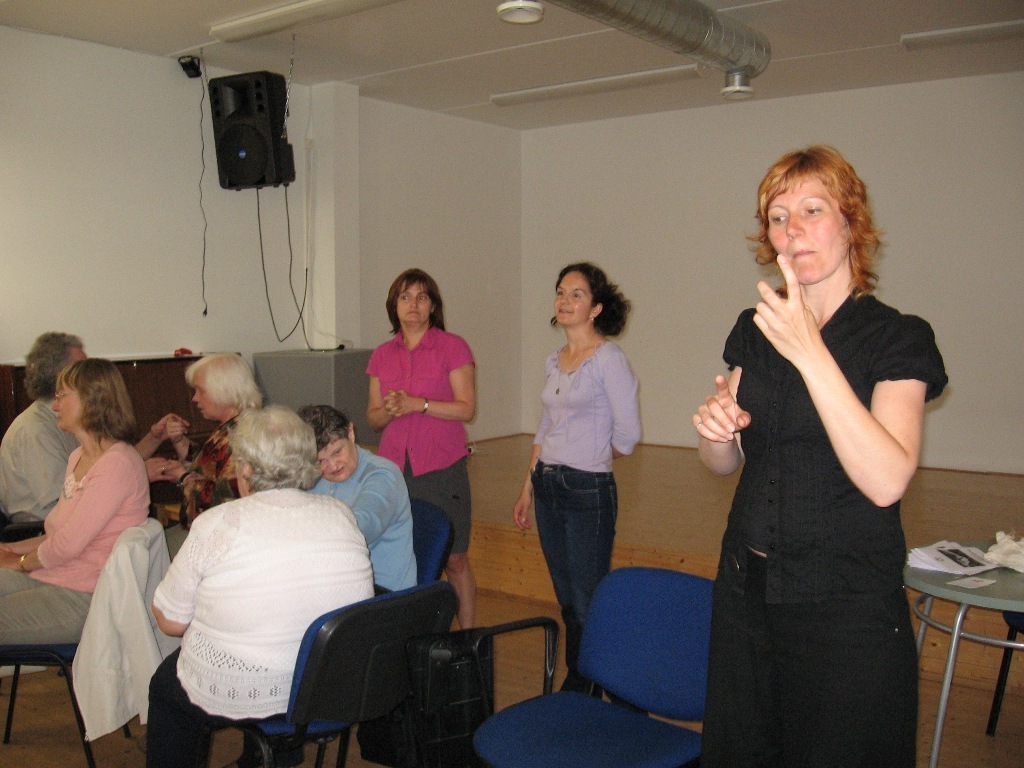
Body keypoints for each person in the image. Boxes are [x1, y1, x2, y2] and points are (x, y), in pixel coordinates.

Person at [693, 145, 948, 768]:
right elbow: (723, 462)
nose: (792, 229)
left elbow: (886, 480)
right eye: (778, 217)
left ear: (851, 223)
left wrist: (810, 352)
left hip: (846, 610)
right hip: (746, 595)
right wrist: (717, 430)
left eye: (812, 210)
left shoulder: (898, 336)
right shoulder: (758, 328)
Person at [146, 406, 374, 768]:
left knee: (164, 685)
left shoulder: (218, 523)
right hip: (328, 686)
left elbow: (171, 622)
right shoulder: (340, 514)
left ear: (246, 469)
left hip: (254, 690)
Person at [513, 262, 640, 693]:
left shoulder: (609, 360)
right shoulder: (554, 360)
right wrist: (528, 488)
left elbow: (628, 434)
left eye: (576, 294)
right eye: (560, 292)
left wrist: (590, 456)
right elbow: (544, 429)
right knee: (567, 599)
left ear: (596, 308)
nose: (564, 301)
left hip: (588, 491)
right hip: (547, 486)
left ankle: (594, 680)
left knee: (588, 600)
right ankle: (582, 675)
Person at [0, 358, 150, 644]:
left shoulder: (117, 463)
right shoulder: (79, 456)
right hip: (55, 576)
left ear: (92, 400)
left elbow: (67, 544)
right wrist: (10, 549)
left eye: (62, 396)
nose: (55, 406)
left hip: (85, 597)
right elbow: (58, 534)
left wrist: (18, 562)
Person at [367, 268, 477, 628]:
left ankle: (468, 640)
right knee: (404, 554)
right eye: (405, 297)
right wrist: (391, 409)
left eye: (421, 297)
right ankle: (413, 633)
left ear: (433, 306)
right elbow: (373, 418)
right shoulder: (382, 355)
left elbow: (467, 408)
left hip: (442, 467)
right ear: (394, 306)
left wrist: (419, 404)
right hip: (396, 469)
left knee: (455, 559)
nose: (413, 304)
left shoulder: (453, 347)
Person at [299, 404, 416, 592]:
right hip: (338, 584)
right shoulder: (313, 477)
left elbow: (360, 529)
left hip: (382, 595)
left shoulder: (383, 475)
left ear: (351, 433)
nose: (333, 466)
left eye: (337, 452)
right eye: (320, 461)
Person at [144, 353, 263, 534]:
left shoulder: (243, 436)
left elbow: (225, 498)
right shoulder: (235, 424)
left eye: (201, 391)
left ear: (223, 391)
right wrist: (180, 442)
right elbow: (211, 463)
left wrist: (183, 477)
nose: (195, 398)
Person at [0, 332, 87, 525]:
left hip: (68, 521)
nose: (91, 376)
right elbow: (63, 499)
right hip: (39, 530)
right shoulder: (35, 429)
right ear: (61, 378)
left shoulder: (68, 420)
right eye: (82, 369)